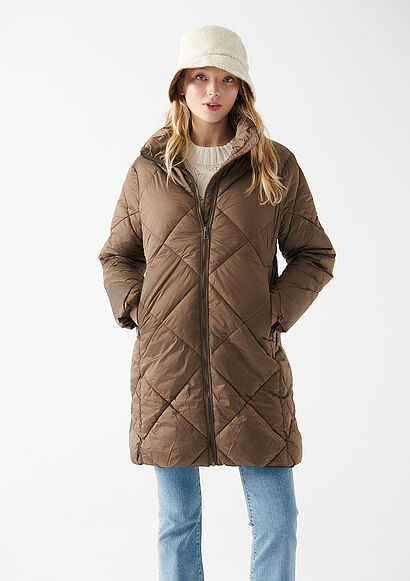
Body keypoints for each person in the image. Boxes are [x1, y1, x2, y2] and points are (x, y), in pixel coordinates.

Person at [98, 24, 336, 581]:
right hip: (167, 366)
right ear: (180, 85)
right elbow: (117, 255)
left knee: (276, 518)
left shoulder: (274, 165)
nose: (212, 90)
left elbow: (314, 254)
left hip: (250, 361)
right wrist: (138, 308)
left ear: (242, 88)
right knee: (177, 521)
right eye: (200, 77)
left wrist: (273, 313)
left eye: (227, 79)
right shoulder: (148, 170)